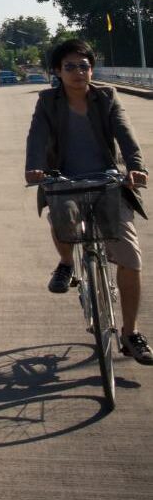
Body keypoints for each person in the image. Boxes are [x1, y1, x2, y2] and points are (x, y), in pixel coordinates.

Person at [25, 38, 150, 365]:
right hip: (64, 181)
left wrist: (136, 168)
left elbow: (126, 134)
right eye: (70, 67)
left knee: (130, 257)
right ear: (57, 71)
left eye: (84, 66)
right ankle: (67, 263)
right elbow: (37, 135)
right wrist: (34, 168)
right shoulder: (48, 102)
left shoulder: (106, 97)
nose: (79, 72)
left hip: (108, 182)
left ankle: (130, 332)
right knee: (59, 216)